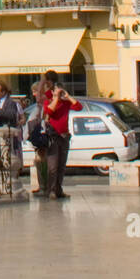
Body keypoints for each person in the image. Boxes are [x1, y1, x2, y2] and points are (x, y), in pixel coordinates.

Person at [42, 72, 83, 200]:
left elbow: (78, 107)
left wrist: (68, 96)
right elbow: (48, 111)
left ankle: (59, 189)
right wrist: (55, 98)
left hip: (64, 136)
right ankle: (51, 190)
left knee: (61, 166)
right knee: (52, 166)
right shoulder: (49, 98)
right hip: (53, 136)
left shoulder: (65, 102)